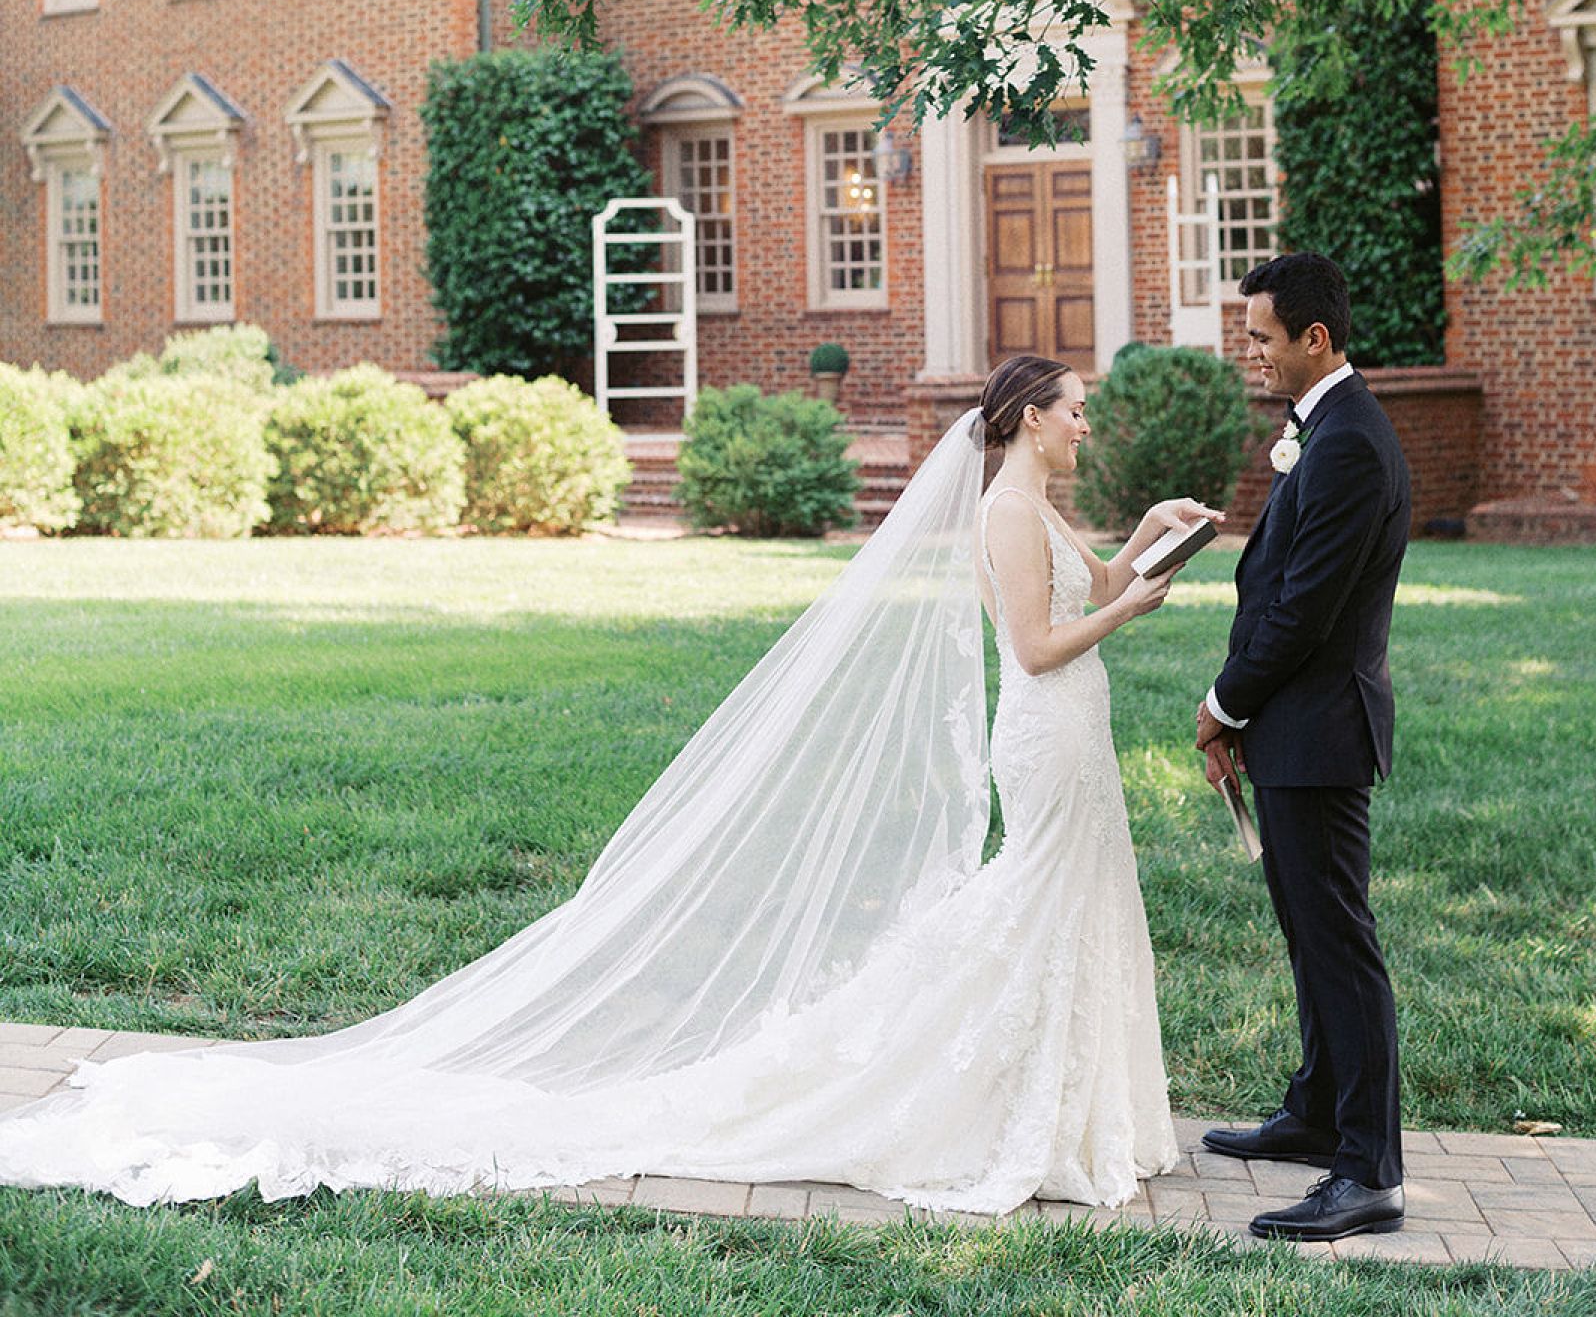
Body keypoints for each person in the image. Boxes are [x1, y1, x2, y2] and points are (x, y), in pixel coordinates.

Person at [0, 355, 1204, 1215]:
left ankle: (1065, 1105)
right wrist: (1139, 608)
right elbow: (1043, 644)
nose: (1085, 426)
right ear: (1029, 420)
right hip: (1045, 736)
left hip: (1075, 738)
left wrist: (1144, 542)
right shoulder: (1000, 507)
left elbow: (1087, 585)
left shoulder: (1035, 501)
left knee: (1067, 915)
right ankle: (984, 1101)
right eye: (1075, 413)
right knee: (1031, 914)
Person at [1195, 251, 1411, 1243]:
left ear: (1315, 338)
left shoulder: (1351, 446)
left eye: (1263, 339)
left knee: (1340, 946)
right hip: (1295, 732)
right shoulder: (1322, 435)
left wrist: (1222, 704)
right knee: (1311, 937)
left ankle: (1369, 1170)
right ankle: (1320, 1109)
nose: (1253, 356)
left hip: (1318, 732)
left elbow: (1304, 613)